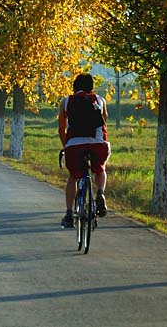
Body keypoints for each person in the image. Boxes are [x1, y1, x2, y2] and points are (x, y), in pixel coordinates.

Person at [58, 73, 111, 228]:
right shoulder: (100, 101)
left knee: (73, 177)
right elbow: (104, 122)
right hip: (97, 143)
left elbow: (61, 129)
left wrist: (66, 145)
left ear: (74, 87)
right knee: (100, 169)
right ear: (91, 87)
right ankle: (100, 192)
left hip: (74, 144)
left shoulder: (66, 102)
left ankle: (69, 214)